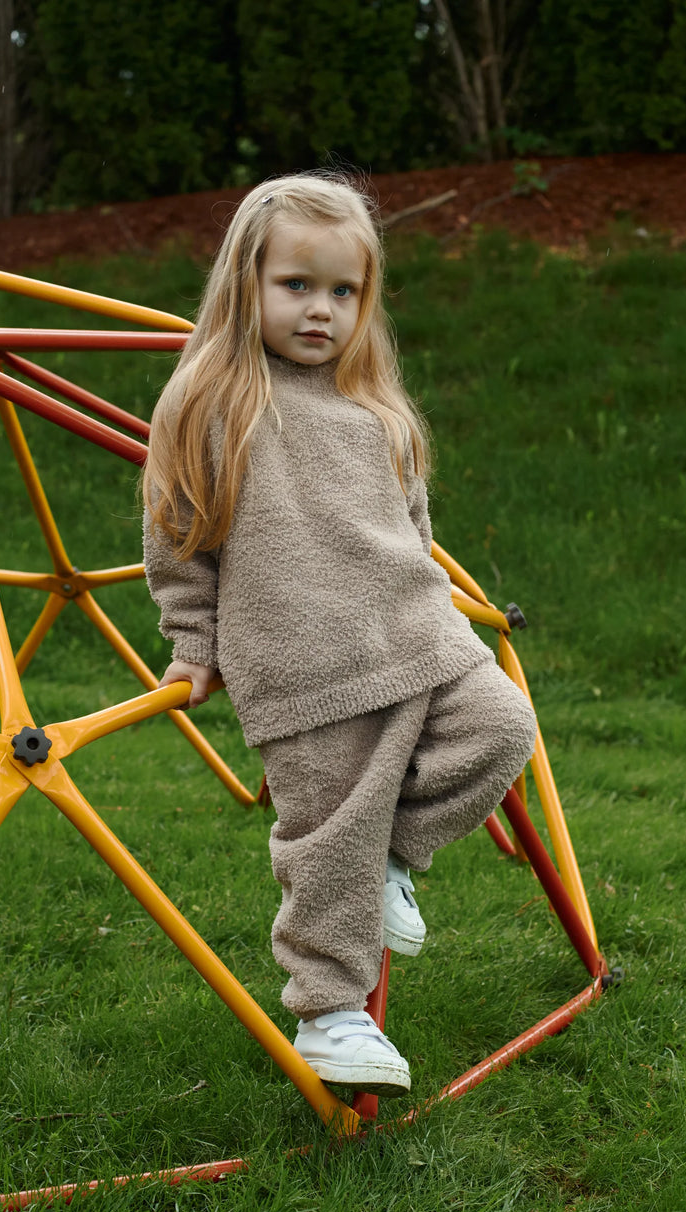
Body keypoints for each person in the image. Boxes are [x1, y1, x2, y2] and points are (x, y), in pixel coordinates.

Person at [142, 171, 537, 1098]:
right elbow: (178, 533)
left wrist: (436, 604)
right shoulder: (213, 401)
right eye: (296, 285)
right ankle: (329, 1014)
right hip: (302, 665)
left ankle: (393, 857)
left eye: (344, 291)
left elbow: (413, 528)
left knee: (502, 727)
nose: (321, 309)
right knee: (327, 839)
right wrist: (194, 644)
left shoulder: (376, 409)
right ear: (245, 282)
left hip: (416, 634)